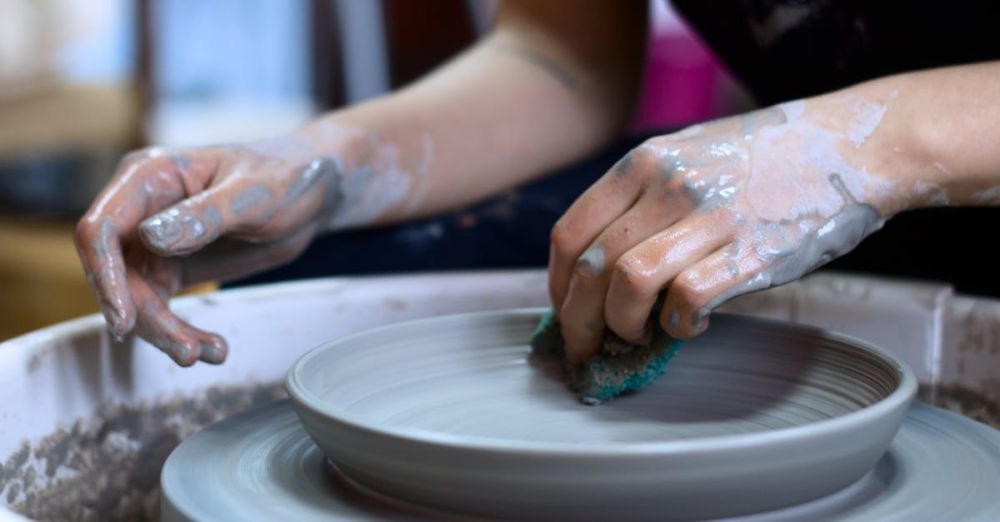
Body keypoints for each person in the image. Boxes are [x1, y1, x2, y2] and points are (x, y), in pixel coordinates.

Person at [76, 1, 1000, 367]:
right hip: (793, 191)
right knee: (315, 276)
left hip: (921, 172)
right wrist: (328, 166)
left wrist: (853, 152)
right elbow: (562, 55)